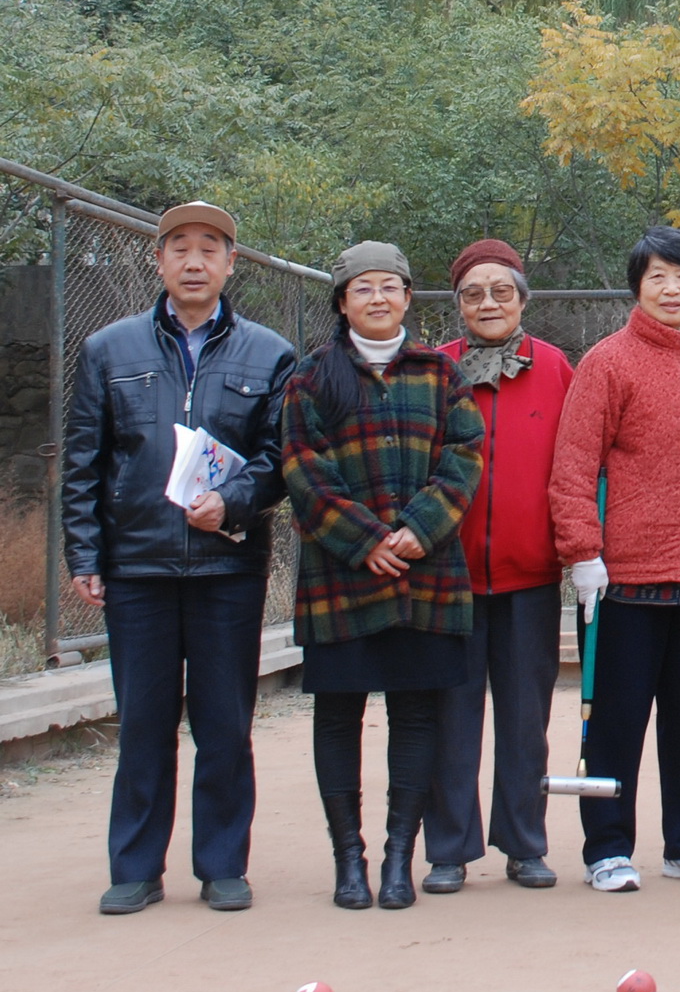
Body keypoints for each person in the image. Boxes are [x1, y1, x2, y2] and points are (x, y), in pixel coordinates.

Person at [64, 201, 297, 915]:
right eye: (179, 248)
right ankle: (135, 867)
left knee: (225, 723)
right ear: (156, 261)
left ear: (232, 263)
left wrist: (231, 502)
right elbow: (83, 463)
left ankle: (222, 864)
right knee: (142, 723)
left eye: (210, 248)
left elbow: (277, 460)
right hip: (137, 567)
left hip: (228, 568)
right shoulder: (109, 349)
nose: (194, 261)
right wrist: (85, 552)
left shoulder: (269, 353)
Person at [282, 241, 483, 911]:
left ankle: (400, 856)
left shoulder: (438, 374)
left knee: (416, 714)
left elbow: (463, 458)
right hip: (341, 577)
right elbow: (303, 471)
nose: (377, 297)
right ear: (342, 302)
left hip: (422, 575)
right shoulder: (310, 379)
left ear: (406, 297)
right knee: (338, 716)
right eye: (362, 288)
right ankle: (350, 860)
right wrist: (366, 540)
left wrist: (416, 532)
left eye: (389, 286)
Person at [549, 228, 680, 893]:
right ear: (638, 286)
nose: (672, 288)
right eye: (658, 276)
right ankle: (606, 847)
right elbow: (574, 465)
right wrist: (583, 552)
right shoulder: (607, 362)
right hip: (624, 582)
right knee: (615, 722)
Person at [422, 239, 576, 894]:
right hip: (448, 578)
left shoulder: (554, 368)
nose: (488, 303)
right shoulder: (432, 368)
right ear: (457, 303)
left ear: (522, 299)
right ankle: (448, 850)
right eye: (474, 293)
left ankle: (524, 843)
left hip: (530, 576)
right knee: (450, 716)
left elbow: (575, 464)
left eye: (501, 291)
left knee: (524, 720)